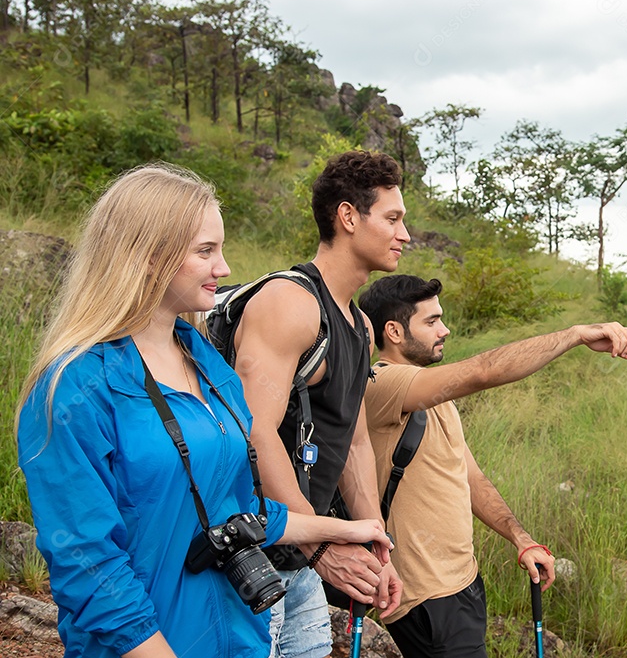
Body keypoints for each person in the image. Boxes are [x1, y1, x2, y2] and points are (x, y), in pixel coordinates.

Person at [16, 164, 393, 658]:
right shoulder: (74, 388)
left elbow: (238, 512)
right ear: (148, 256)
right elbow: (88, 565)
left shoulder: (207, 362)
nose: (225, 268)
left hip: (240, 637)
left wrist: (340, 530)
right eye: (205, 251)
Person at [357, 273, 627, 658]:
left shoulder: (433, 396)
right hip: (426, 596)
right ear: (394, 332)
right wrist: (576, 334)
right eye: (431, 321)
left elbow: (472, 479)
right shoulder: (381, 383)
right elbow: (484, 371)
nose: (444, 330)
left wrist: (521, 538)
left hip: (462, 582)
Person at [230, 150, 407, 658]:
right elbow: (255, 431)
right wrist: (323, 546)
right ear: (348, 217)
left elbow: (351, 440)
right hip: (247, 557)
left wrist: (374, 541)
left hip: (298, 561)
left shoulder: (361, 327)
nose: (405, 234)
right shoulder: (291, 302)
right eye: (392, 219)